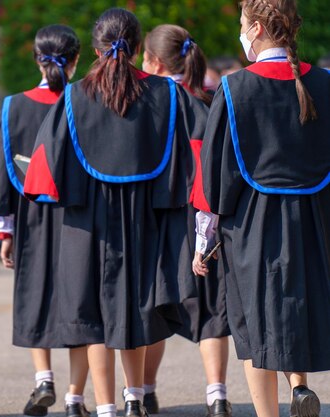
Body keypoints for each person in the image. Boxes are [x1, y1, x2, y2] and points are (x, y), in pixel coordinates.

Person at [24, 8, 198, 417]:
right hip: (144, 220)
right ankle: (133, 397)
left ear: (96, 49)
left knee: (94, 318)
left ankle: (104, 407)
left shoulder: (72, 95)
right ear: (139, 49)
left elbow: (42, 171)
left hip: (87, 223)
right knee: (136, 309)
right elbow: (196, 152)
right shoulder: (168, 94)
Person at [194, 1, 330, 416]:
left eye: (241, 25)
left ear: (254, 29)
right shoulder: (324, 82)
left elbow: (217, 172)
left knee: (255, 325)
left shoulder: (236, 89)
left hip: (254, 223)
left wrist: (205, 238)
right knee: (298, 305)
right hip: (313, 219)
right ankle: (300, 387)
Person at [0, 25, 90, 417]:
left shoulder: (12, 107)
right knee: (81, 303)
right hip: (79, 217)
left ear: (36, 59)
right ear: (75, 60)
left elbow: (0, 171)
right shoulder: (86, 101)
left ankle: (44, 380)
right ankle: (76, 398)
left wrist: (4, 230)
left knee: (34, 296)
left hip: (31, 217)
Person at [141, 24, 231, 417]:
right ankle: (217, 395)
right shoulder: (207, 102)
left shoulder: (145, 102)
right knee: (211, 310)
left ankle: (145, 391)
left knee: (152, 307)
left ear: (155, 62)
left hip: (158, 216)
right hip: (203, 214)